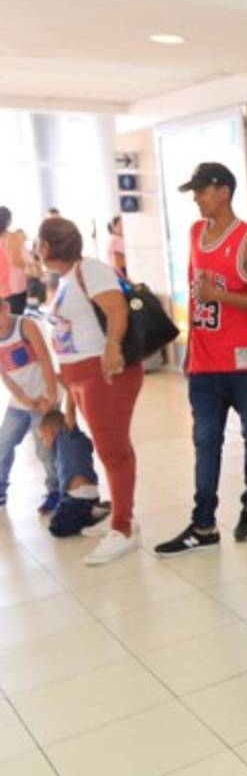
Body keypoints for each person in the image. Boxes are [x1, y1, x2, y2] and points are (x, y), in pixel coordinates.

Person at [154, 163, 247, 556]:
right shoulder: (194, 234)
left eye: (201, 190)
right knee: (206, 444)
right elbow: (195, 296)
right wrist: (190, 350)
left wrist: (221, 296)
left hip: (242, 363)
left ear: (223, 191)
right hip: (205, 364)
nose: (195, 198)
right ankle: (203, 524)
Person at [39, 216, 144, 566]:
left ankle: (123, 527)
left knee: (113, 451)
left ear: (47, 246)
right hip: (81, 379)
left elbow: (116, 308)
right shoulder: (67, 279)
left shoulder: (91, 269)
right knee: (109, 447)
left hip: (104, 374)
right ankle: (122, 517)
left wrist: (112, 347)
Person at [0, 294, 58, 512]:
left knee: (45, 449)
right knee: (3, 444)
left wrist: (51, 397)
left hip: (44, 397)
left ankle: (55, 492)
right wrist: (24, 399)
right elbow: (4, 374)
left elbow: (45, 359)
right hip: (20, 401)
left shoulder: (25, 325)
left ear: (5, 308)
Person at [40, 407, 110, 537]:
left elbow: (70, 414)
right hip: (85, 497)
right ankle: (94, 511)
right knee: (60, 511)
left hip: (79, 499)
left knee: (56, 527)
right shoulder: (66, 446)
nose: (43, 443)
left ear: (49, 432)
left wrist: (71, 392)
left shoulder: (66, 438)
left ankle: (97, 516)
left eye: (43, 438)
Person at [0, 207, 29, 314]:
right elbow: (28, 260)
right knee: (16, 320)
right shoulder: (16, 238)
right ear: (9, 222)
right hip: (18, 287)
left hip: (3, 291)